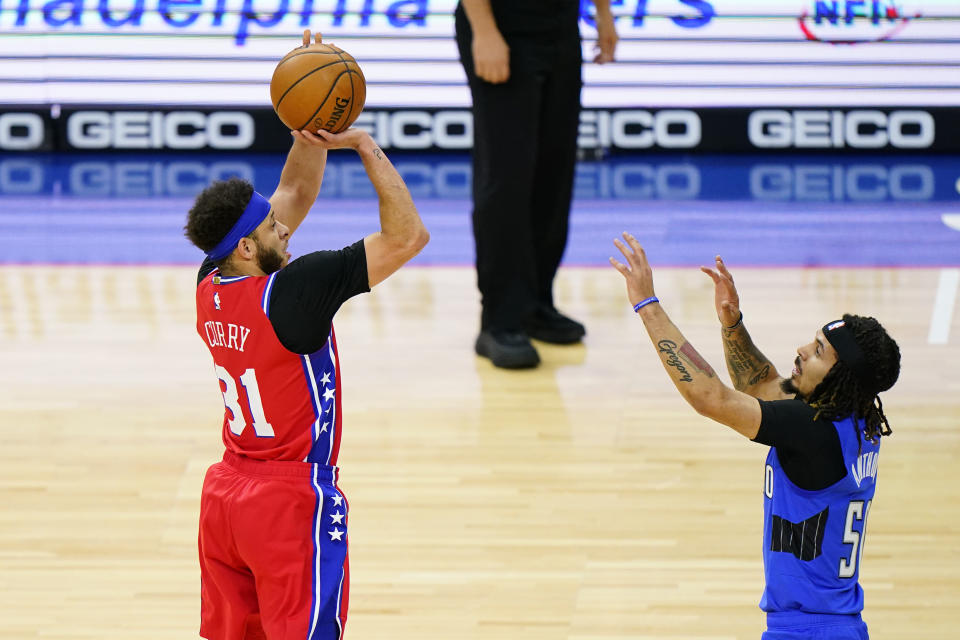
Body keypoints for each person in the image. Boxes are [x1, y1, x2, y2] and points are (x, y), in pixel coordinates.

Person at [183, 31, 429, 640]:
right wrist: (363, 144)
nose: (286, 228)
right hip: (289, 500)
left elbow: (295, 192)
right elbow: (407, 239)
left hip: (223, 499)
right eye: (273, 227)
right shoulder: (295, 291)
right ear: (247, 246)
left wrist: (308, 130)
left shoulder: (210, 280)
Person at [610, 232, 900, 640]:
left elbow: (711, 398)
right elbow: (763, 386)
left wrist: (646, 304)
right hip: (836, 625)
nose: (801, 349)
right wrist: (733, 323)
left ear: (840, 379)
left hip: (806, 631)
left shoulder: (813, 430)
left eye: (817, 351)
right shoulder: (854, 418)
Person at [455, 0, 618, 368]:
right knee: (506, 178)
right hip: (501, 24)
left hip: (560, 25)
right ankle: (498, 321)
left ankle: (535, 305)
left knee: (554, 175)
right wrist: (484, 29)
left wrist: (604, 13)